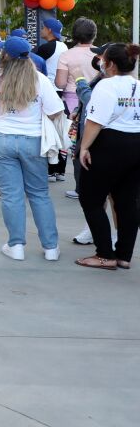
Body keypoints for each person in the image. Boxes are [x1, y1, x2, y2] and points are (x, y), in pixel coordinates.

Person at [0, 36, 64, 261]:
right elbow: (55, 111)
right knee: (39, 193)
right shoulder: (39, 79)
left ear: (4, 55)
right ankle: (51, 247)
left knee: (11, 195)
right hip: (32, 139)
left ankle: (16, 245)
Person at [74, 43, 140, 270]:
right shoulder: (138, 85)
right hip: (136, 143)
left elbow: (95, 121)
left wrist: (84, 147)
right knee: (127, 201)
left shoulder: (106, 86)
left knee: (90, 198)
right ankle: (124, 255)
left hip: (109, 144)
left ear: (110, 63)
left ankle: (104, 254)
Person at [55, 17, 98, 114]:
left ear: (74, 34)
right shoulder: (102, 54)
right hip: (97, 99)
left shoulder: (66, 55)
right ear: (94, 34)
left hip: (72, 100)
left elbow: (60, 83)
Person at [34, 17, 67, 85]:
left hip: (48, 85)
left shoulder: (46, 47)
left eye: (43, 28)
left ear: (49, 30)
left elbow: (33, 66)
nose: (41, 30)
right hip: (61, 87)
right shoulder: (64, 46)